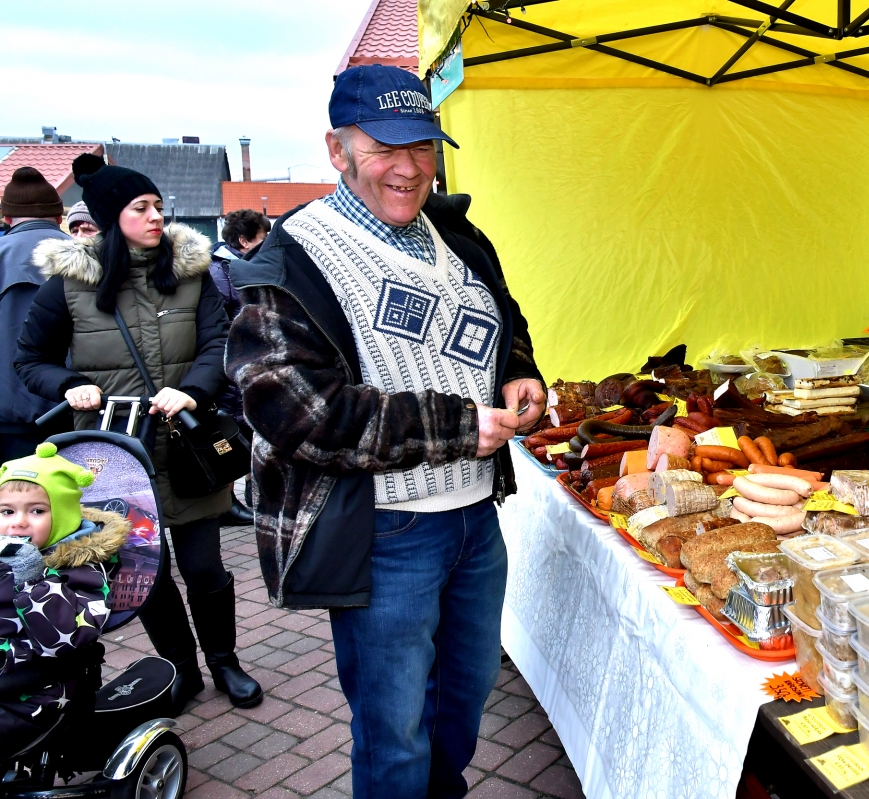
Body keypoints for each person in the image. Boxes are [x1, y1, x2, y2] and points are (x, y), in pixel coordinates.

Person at [226, 65, 545, 798]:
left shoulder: (457, 233)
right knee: (394, 734)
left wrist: (518, 370)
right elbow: (297, 412)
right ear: (337, 149)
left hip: (475, 517)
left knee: (462, 706)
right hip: (386, 531)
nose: (409, 168)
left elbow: (506, 319)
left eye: (423, 146)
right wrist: (457, 426)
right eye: (384, 148)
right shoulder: (291, 258)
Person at [13, 154, 262, 711]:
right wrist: (69, 385)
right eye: (140, 208)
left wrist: (193, 389)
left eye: (157, 206)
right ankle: (181, 670)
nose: (155, 217)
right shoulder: (69, 284)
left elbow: (219, 343)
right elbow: (30, 360)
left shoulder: (190, 276)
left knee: (205, 568)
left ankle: (225, 662)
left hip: (187, 448)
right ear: (109, 219)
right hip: (115, 456)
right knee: (148, 574)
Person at [0, 443, 128, 754]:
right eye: (7, 511)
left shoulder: (82, 569)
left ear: (63, 516)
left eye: (37, 511)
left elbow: (65, 639)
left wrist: (32, 579)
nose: (18, 522)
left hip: (37, 693)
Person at [0, 168, 71, 462]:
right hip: (75, 409)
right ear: (58, 216)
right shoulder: (87, 257)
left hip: (6, 418)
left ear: (7, 217)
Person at [208, 209, 270, 526]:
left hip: (246, 362)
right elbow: (218, 324)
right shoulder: (222, 273)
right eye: (262, 237)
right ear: (244, 241)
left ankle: (248, 496)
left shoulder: (240, 267)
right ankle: (227, 503)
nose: (267, 243)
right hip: (232, 368)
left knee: (248, 430)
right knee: (230, 435)